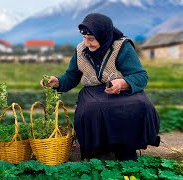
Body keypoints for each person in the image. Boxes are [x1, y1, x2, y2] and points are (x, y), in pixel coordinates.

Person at [40, 13, 160, 161]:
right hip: (93, 92)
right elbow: (71, 76)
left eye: (91, 39)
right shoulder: (80, 50)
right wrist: (57, 81)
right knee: (91, 109)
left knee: (140, 105)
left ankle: (126, 149)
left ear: (104, 36)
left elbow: (140, 76)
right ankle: (96, 151)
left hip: (122, 91)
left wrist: (122, 83)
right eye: (84, 38)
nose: (87, 43)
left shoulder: (121, 47)